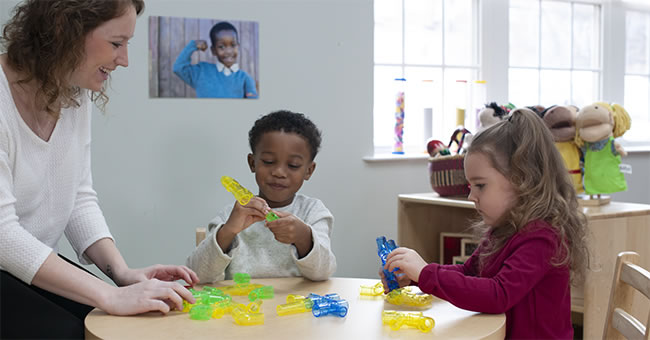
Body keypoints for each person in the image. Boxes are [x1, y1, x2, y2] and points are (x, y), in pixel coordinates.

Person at [0, 1, 199, 338]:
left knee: (120, 323)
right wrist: (109, 294)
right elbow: (3, 236)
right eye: (116, 43)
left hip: (23, 266)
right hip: (8, 261)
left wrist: (122, 275)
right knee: (74, 331)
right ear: (65, 31)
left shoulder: (73, 93)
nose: (124, 60)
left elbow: (77, 198)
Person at [382, 108, 590, 339]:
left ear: (523, 181)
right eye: (470, 187)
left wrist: (426, 273)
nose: (472, 197)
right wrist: (416, 278)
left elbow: (498, 295)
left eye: (480, 185)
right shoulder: (505, 229)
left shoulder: (542, 237)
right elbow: (469, 273)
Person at [187, 110, 336, 282]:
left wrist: (303, 238)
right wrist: (228, 231)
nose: (279, 172)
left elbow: (324, 273)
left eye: (293, 165)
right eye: (268, 162)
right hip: (240, 307)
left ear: (308, 170)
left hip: (296, 307)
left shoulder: (313, 212)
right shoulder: (230, 216)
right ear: (252, 163)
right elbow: (197, 276)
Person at [173, 21, 258, 98]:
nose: (228, 51)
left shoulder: (245, 78)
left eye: (233, 45)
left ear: (238, 47)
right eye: (221, 47)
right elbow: (178, 68)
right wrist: (193, 45)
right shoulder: (201, 72)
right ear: (214, 51)